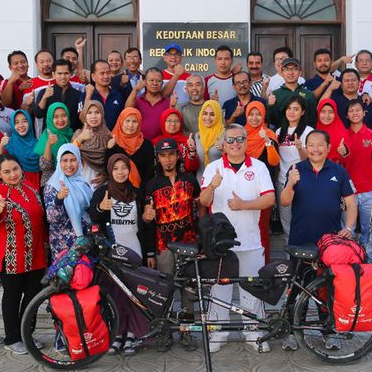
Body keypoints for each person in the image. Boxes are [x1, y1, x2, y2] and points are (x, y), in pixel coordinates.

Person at [199, 124, 276, 353]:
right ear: (223, 143)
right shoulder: (213, 167)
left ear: (246, 141)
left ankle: (254, 334)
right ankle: (217, 334)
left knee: (252, 290)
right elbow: (203, 201)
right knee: (219, 291)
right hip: (220, 245)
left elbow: (270, 199)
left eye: (240, 139)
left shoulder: (259, 167)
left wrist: (244, 205)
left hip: (251, 241)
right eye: (230, 140)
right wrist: (212, 186)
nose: (235, 144)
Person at [280, 129, 357, 350]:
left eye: (319, 145)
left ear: (328, 147)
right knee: (297, 288)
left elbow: (351, 204)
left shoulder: (339, 171)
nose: (315, 149)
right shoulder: (296, 169)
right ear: (306, 147)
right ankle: (294, 333)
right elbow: (284, 202)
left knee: (327, 289)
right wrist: (290, 183)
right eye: (310, 145)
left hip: (329, 245)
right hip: (299, 241)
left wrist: (349, 227)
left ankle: (328, 332)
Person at [89, 154, 154, 355]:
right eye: (115, 168)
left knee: (133, 296)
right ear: (110, 171)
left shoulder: (137, 192)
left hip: (134, 251)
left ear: (129, 169)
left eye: (123, 168)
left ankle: (132, 335)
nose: (120, 172)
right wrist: (101, 207)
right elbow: (93, 216)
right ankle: (117, 334)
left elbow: (146, 224)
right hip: (112, 254)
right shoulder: (102, 192)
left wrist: (150, 251)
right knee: (115, 295)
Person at [0, 154, 48, 355]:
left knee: (32, 297)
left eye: (15, 169)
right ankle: (12, 338)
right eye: (6, 171)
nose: (12, 174)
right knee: (12, 298)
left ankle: (27, 334)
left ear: (21, 168)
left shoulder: (31, 187)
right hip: (11, 256)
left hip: (35, 254)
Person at [144, 138, 200, 350]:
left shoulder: (189, 180)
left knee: (188, 290)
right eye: (163, 155)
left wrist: (199, 242)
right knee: (164, 290)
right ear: (157, 158)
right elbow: (147, 220)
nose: (167, 159)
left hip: (187, 241)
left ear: (178, 156)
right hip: (163, 245)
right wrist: (147, 219)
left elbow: (199, 208)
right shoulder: (152, 184)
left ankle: (187, 333)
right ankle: (164, 332)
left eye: (171, 155)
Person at [341, 100, 372, 261]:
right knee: (347, 229)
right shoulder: (342, 136)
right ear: (347, 115)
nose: (355, 113)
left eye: (358, 110)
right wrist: (343, 153)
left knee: (369, 229)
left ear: (364, 113)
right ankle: (348, 261)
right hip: (347, 192)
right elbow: (340, 164)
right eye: (351, 111)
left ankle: (368, 260)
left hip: (368, 190)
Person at [244, 101, 279, 263]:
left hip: (264, 190)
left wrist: (266, 142)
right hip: (243, 188)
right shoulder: (241, 135)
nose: (254, 118)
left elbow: (274, 162)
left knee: (262, 228)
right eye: (251, 114)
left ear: (263, 115)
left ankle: (264, 265)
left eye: (258, 114)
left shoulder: (270, 134)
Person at [44, 144, 94, 257]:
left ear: (79, 161)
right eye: (64, 161)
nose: (69, 165)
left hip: (86, 243)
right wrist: (59, 199)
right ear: (59, 162)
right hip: (65, 247)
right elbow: (52, 219)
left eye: (73, 160)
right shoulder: (53, 186)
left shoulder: (83, 183)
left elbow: (89, 211)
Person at [275, 96, 314, 237]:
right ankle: (289, 258)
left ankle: (305, 257)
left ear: (302, 112)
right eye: (289, 108)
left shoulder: (308, 131)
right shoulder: (279, 132)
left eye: (296, 109)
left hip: (303, 181)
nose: (292, 112)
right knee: (286, 222)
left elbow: (309, 159)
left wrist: (300, 148)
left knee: (304, 219)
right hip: (283, 181)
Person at [106, 108, 155, 188]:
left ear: (139, 123)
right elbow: (107, 169)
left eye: (134, 121)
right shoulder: (112, 143)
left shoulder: (147, 145)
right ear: (121, 121)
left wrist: (141, 192)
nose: (130, 125)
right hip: (116, 191)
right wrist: (108, 149)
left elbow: (149, 172)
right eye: (127, 121)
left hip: (140, 192)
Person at [34, 59, 84, 132]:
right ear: (54, 74)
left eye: (66, 73)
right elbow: (38, 114)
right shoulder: (44, 92)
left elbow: (81, 119)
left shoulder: (78, 94)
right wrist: (44, 98)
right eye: (59, 73)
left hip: (71, 138)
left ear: (70, 74)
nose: (63, 77)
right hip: (50, 138)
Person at [72, 100, 111, 187]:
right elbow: (70, 155)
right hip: (80, 181)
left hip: (101, 184)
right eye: (89, 113)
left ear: (102, 115)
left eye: (97, 112)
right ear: (85, 116)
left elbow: (112, 160)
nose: (93, 116)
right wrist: (80, 138)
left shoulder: (108, 136)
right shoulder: (78, 134)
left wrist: (106, 174)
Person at [267, 57, 317, 127]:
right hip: (281, 134)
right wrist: (270, 106)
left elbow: (313, 120)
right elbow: (271, 120)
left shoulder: (308, 95)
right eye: (286, 69)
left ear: (300, 72)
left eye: (294, 69)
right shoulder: (275, 94)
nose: (290, 72)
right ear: (282, 72)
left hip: (304, 134)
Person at [126, 67, 171, 141]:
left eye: (158, 81)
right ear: (145, 82)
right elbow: (127, 110)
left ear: (162, 83)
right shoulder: (138, 101)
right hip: (140, 144)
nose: (155, 83)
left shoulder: (168, 103)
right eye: (151, 80)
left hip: (162, 146)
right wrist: (135, 89)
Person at [36, 103, 74, 187]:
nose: (60, 119)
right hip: (52, 185)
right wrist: (48, 145)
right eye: (55, 117)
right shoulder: (46, 137)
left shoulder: (71, 134)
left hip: (70, 182)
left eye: (63, 115)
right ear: (50, 118)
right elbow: (45, 167)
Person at [152, 108, 199, 173]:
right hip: (160, 181)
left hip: (182, 180)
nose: (173, 124)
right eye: (169, 121)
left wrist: (192, 150)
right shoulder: (155, 142)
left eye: (176, 121)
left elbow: (192, 168)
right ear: (163, 122)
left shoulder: (187, 142)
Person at [4, 110, 41, 191]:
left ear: (30, 122)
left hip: (37, 183)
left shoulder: (38, 144)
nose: (21, 125)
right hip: (17, 186)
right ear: (12, 125)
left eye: (24, 121)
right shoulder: (9, 145)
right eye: (16, 122)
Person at [86, 59, 125, 130]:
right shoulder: (86, 95)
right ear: (93, 76)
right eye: (102, 73)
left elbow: (122, 120)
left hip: (113, 138)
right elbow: (82, 118)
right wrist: (88, 96)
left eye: (108, 73)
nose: (106, 76)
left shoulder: (117, 96)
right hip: (92, 139)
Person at [194, 100, 224, 181]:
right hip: (201, 181)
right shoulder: (197, 135)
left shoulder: (225, 135)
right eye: (205, 113)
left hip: (220, 182)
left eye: (212, 114)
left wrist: (223, 150)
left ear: (218, 115)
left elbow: (234, 160)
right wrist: (191, 151)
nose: (207, 118)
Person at [316, 98, 348, 164]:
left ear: (335, 113)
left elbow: (349, 160)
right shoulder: (313, 132)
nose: (327, 115)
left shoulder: (343, 133)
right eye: (323, 111)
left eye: (331, 112)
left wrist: (344, 152)